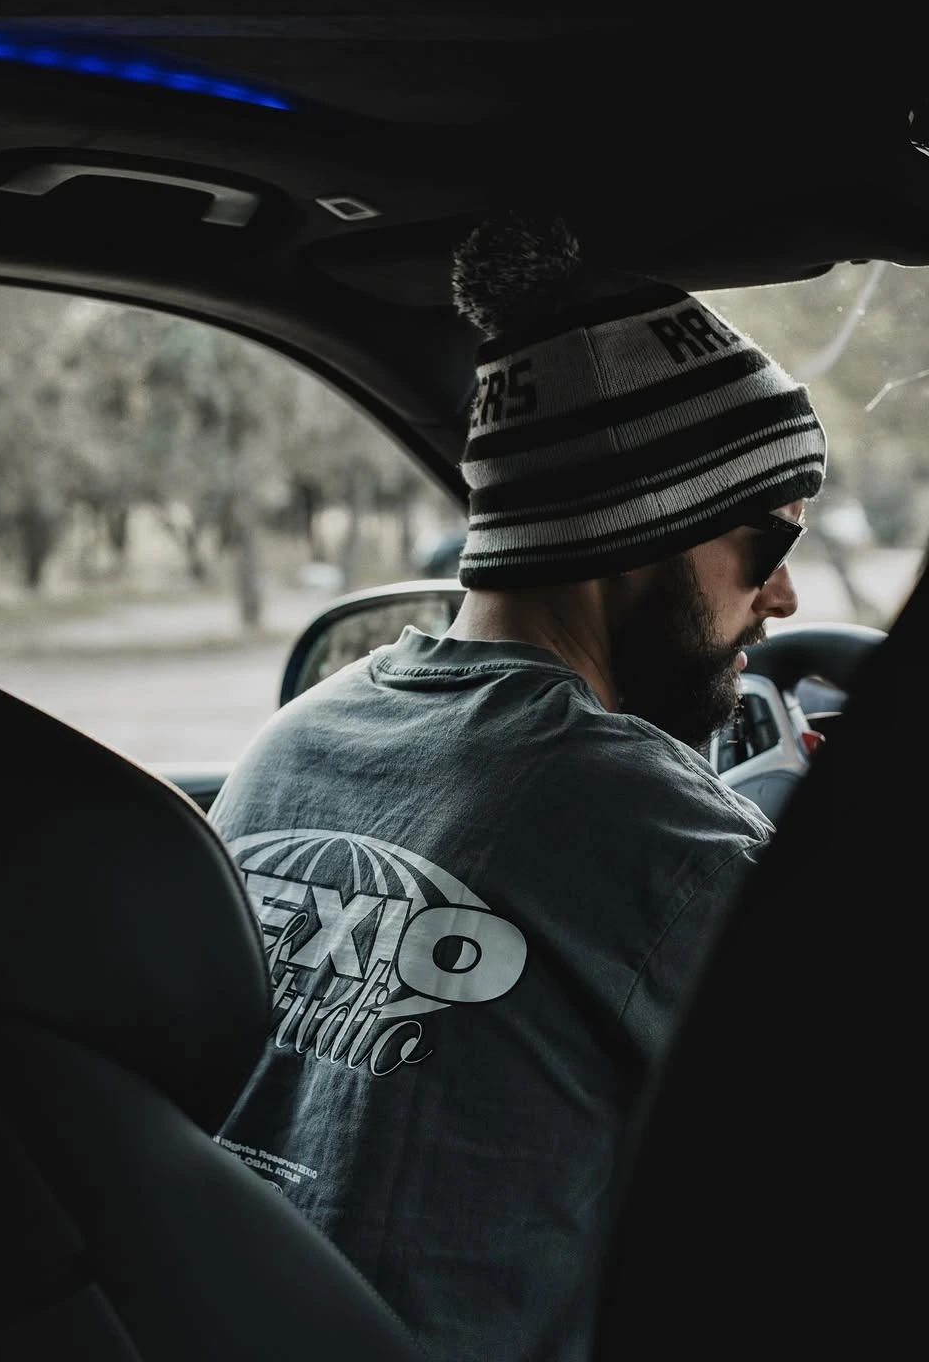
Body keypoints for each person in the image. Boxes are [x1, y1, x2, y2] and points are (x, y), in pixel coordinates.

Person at [208, 214, 827, 1362]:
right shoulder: (668, 842)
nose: (782, 600)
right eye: (769, 546)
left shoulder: (288, 744)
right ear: (653, 521)